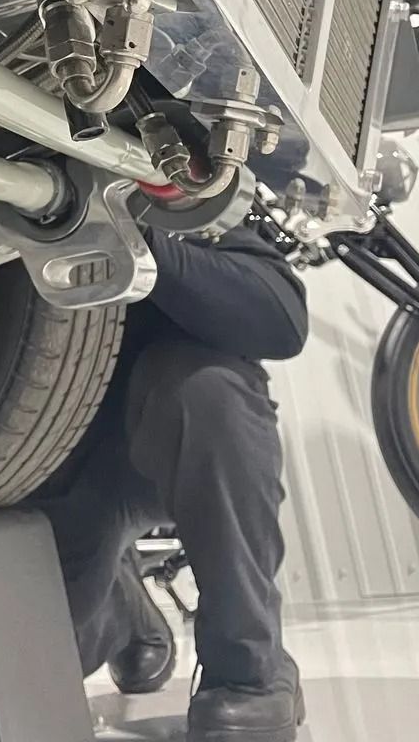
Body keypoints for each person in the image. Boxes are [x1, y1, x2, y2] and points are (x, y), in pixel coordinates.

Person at [36, 218, 307, 742]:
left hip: (166, 423)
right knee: (31, 675)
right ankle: (123, 609)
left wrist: (139, 239)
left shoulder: (168, 175)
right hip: (43, 451)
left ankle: (250, 669)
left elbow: (281, 318)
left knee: (209, 392)